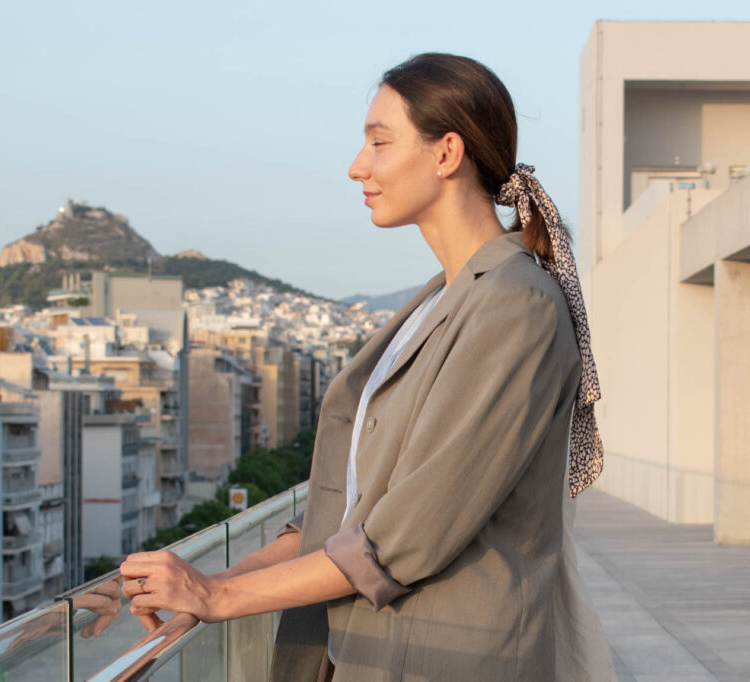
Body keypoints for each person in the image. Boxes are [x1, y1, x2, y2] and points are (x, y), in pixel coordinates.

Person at [121, 53, 613, 681]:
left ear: (446, 154)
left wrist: (217, 599)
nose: (359, 167)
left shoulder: (516, 307)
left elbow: (407, 534)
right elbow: (343, 510)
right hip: (364, 651)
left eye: (379, 143)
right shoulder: (442, 300)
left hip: (448, 660)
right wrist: (197, 581)